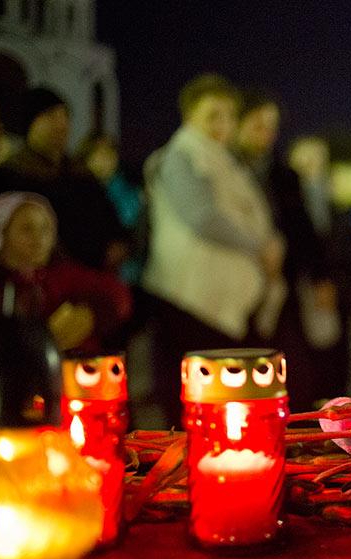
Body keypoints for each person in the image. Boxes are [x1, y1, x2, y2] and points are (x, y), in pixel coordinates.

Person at [141, 74, 285, 425]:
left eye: (229, 116)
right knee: (195, 402)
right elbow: (202, 217)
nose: (222, 125)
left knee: (222, 401)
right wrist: (259, 247)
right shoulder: (180, 156)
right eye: (212, 116)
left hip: (216, 304)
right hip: (189, 300)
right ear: (190, 116)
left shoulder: (223, 161)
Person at [234, 91, 341, 410]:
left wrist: (321, 277)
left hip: (285, 282)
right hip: (241, 282)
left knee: (293, 368)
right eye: (258, 124)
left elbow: (303, 230)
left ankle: (294, 428)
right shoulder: (227, 171)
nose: (266, 133)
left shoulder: (283, 175)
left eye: (272, 126)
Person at [0, 88, 128, 272]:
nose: (61, 124)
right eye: (51, 116)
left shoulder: (82, 174)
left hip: (95, 276)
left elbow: (112, 222)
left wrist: (118, 245)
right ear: (30, 124)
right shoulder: (8, 176)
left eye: (65, 116)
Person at [0, 191, 131, 353]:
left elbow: (116, 294)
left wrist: (91, 314)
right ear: (1, 232)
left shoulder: (64, 275)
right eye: (27, 229)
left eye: (45, 229)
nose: (39, 238)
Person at [73, 132, 146, 285]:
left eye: (110, 152)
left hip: (131, 267)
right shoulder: (79, 192)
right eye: (100, 153)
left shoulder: (130, 189)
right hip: (93, 268)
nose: (107, 159)